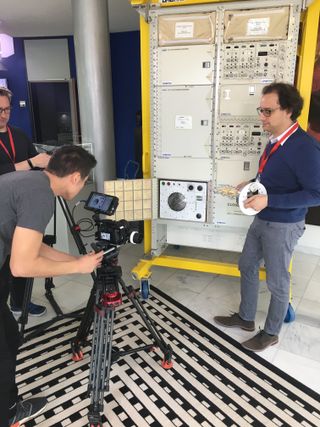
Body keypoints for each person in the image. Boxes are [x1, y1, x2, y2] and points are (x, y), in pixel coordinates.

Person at [0, 145, 104, 426]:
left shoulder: (29, 181)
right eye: (84, 181)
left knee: (9, 335)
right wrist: (76, 267)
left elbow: (35, 247)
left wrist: (77, 260)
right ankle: (8, 414)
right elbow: (21, 266)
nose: (82, 187)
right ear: (75, 177)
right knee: (4, 350)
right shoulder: (41, 195)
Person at [214, 82, 320, 352]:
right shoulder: (274, 141)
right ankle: (246, 318)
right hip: (262, 217)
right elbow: (272, 178)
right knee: (247, 265)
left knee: (277, 281)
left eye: (267, 111)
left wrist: (269, 199)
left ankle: (271, 332)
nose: (261, 116)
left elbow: (316, 194)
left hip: (283, 225)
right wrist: (250, 184)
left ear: (288, 111)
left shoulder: (304, 147)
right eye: (260, 110)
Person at [0, 86, 51, 317]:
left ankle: (20, 302)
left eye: (7, 109)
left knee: (24, 254)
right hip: (2, 211)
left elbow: (36, 161)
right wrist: (31, 164)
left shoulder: (18, 134)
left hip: (23, 206)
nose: (4, 114)